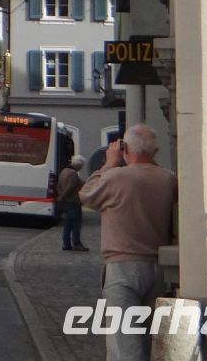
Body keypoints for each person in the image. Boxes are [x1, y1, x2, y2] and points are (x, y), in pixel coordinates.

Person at [79, 124, 177, 361]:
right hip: (158, 267)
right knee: (146, 337)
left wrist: (109, 163)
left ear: (126, 149)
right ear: (155, 151)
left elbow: (86, 194)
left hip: (122, 267)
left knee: (123, 341)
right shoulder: (169, 179)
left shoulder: (115, 176)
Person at [56, 155, 86, 251]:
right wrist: (63, 196)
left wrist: (60, 196)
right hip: (73, 201)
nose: (81, 168)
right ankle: (76, 243)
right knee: (76, 224)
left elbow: (58, 185)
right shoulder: (73, 173)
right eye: (81, 166)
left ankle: (66, 243)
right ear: (78, 164)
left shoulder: (64, 171)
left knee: (67, 223)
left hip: (65, 202)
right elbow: (71, 186)